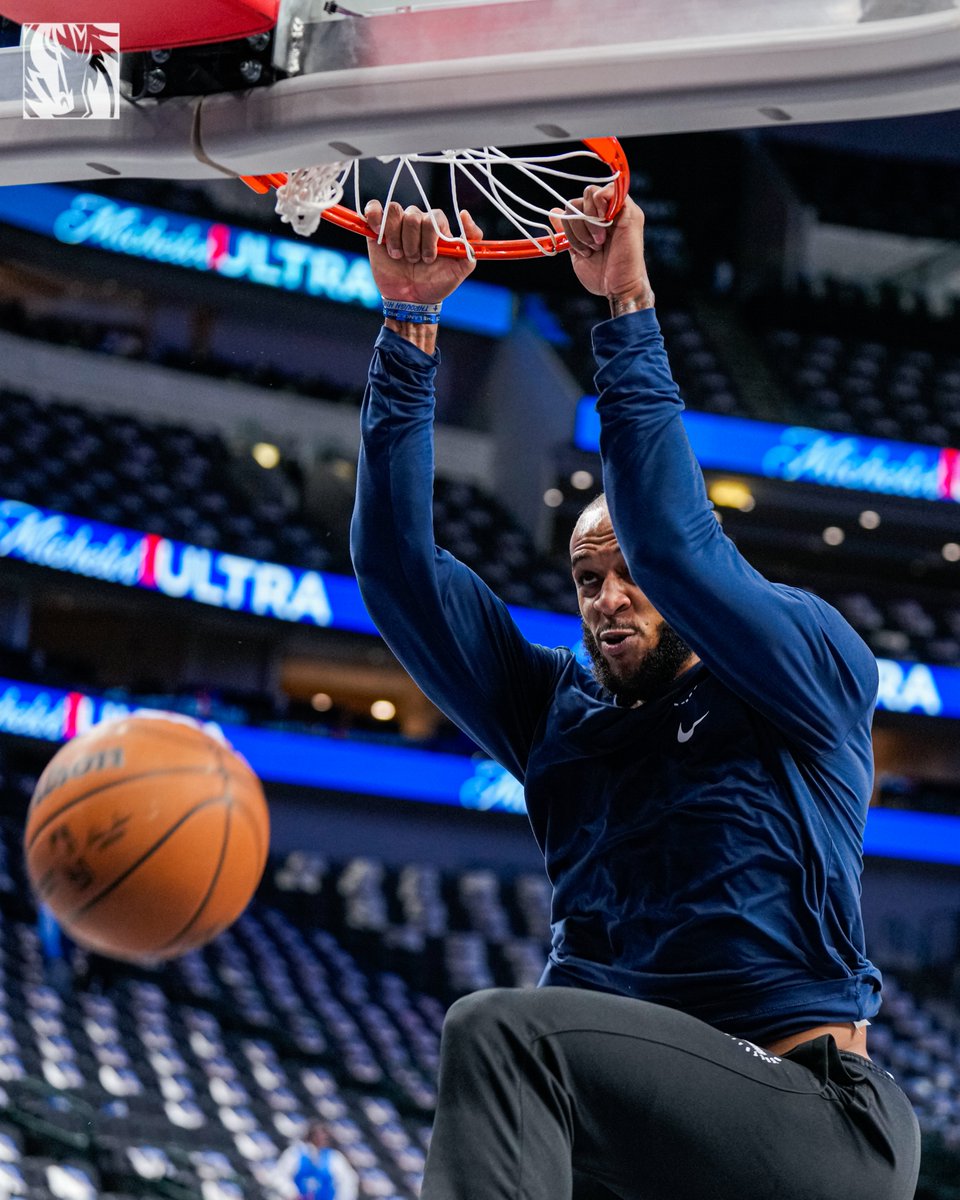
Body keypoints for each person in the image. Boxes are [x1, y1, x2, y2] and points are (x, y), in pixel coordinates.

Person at [350, 184, 921, 1200]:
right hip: (629, 1145)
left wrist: (626, 308)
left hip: (802, 1122)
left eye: (630, 578)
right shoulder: (556, 712)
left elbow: (665, 532)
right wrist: (408, 327)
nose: (610, 599)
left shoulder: (802, 672)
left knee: (503, 1035)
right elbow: (396, 569)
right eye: (586, 581)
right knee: (526, 1062)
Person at [273, 1121, 358, 1200]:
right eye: (319, 1134)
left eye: (325, 1135)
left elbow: (348, 1181)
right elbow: (280, 1175)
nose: (323, 1137)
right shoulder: (295, 1153)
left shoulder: (334, 1157)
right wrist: (291, 1193)